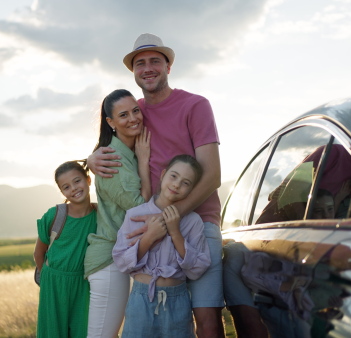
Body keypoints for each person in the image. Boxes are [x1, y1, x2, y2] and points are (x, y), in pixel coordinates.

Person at [88, 33, 224, 337]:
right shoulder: (133, 111)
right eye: (140, 63)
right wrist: (92, 157)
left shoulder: (195, 105)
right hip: (148, 226)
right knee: (151, 316)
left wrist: (167, 220)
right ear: (133, 72)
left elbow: (212, 175)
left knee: (207, 322)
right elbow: (112, 136)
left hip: (198, 222)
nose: (147, 68)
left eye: (155, 61)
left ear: (168, 67)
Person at [113, 154, 212, 337]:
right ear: (163, 174)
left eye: (186, 183)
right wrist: (149, 237)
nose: (176, 185)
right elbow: (121, 261)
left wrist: (175, 233)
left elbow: (197, 269)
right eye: (173, 176)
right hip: (141, 300)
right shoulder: (135, 215)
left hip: (178, 302)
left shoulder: (193, 221)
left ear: (192, 190)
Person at [84, 89, 152, 337]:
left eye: (136, 111)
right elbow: (139, 207)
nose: (133, 118)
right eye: (123, 115)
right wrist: (144, 161)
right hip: (109, 261)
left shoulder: (125, 151)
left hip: (121, 256)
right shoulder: (112, 159)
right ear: (110, 123)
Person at [34, 160, 98, 338]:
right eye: (66, 187)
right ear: (62, 191)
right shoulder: (55, 215)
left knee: (84, 331)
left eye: (77, 181)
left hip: (83, 284)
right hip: (53, 283)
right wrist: (48, 279)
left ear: (88, 180)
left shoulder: (100, 216)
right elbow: (38, 253)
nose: (74, 188)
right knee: (53, 332)